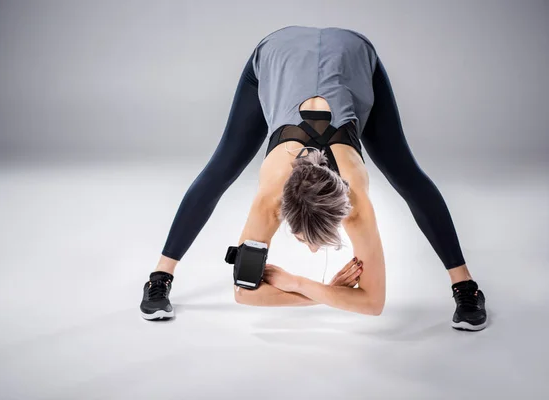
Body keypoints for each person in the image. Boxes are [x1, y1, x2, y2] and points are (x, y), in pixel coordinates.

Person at [140, 26, 487, 331]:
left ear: (342, 209)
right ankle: (160, 276)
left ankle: (466, 286)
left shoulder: (357, 199)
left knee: (407, 175)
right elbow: (245, 293)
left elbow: (373, 303)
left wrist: (297, 284)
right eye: (308, 239)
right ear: (282, 210)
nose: (312, 248)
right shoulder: (269, 196)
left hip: (351, 54)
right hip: (278, 53)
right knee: (220, 170)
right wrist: (327, 292)